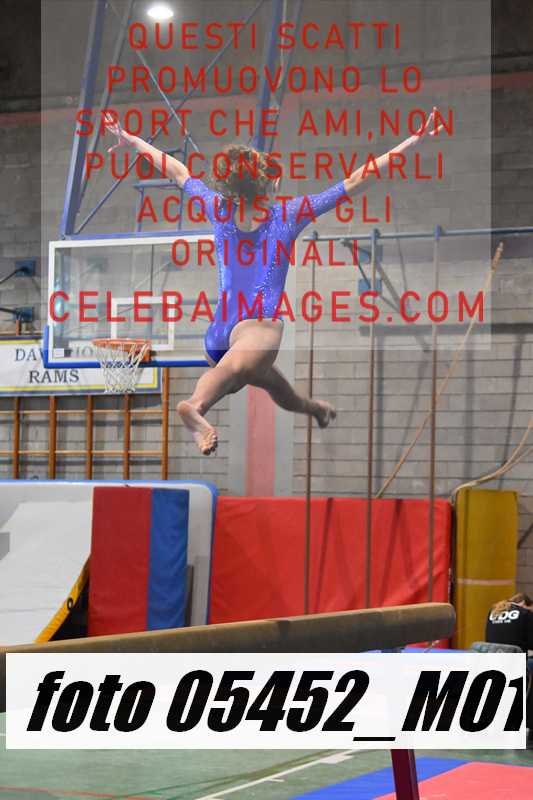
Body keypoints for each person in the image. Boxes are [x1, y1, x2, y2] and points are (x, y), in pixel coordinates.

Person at [106, 108, 443, 455]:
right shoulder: (287, 214)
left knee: (273, 384)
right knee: (244, 367)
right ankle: (194, 405)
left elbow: (177, 171)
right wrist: (412, 141)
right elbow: (356, 180)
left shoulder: (218, 208)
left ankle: (314, 409)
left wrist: (132, 140)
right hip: (257, 327)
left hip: (218, 336)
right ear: (271, 185)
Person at [486, 592, 533, 744]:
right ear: (525, 604)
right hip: (514, 664)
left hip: (492, 662)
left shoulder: (493, 611)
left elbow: (488, 638)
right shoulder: (525, 614)